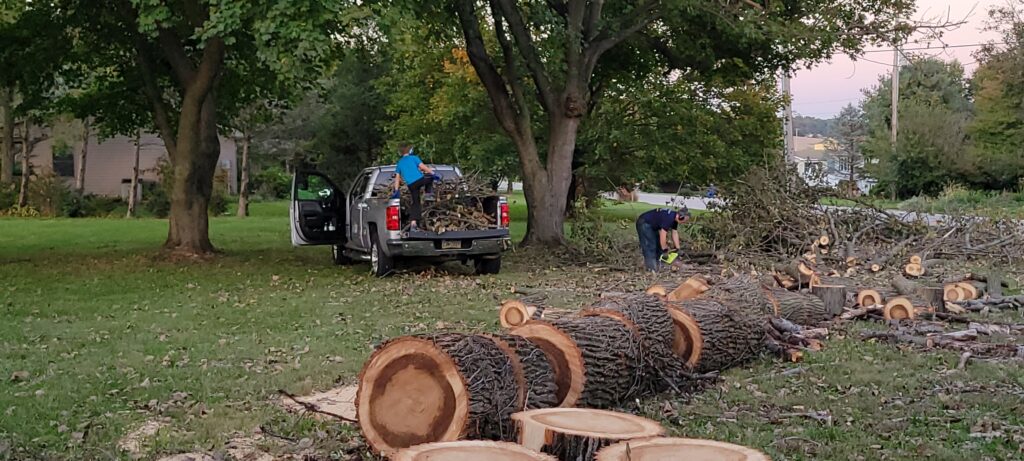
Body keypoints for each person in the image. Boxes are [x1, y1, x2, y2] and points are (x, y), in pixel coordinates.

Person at [393, 144, 435, 231]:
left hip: (411, 185)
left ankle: (413, 222)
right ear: (410, 151)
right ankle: (428, 194)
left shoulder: (400, 163)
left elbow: (397, 178)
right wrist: (432, 173)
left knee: (416, 202)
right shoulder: (414, 158)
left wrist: (396, 190)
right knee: (430, 178)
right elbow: (422, 167)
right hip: (419, 180)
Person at [635, 206, 690, 272]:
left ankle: (659, 266)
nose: (685, 222)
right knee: (650, 247)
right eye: (685, 220)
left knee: (658, 246)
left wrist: (678, 248)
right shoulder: (669, 218)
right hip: (644, 223)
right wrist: (665, 249)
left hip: (652, 226)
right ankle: (651, 269)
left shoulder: (674, 219)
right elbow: (663, 234)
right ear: (680, 217)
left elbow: (674, 233)